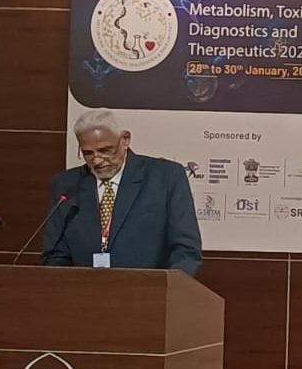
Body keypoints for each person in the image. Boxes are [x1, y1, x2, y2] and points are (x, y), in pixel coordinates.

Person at [41, 109, 202, 276]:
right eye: (88, 153)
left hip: (148, 289)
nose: (97, 160)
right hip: (83, 290)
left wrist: (166, 286)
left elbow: (186, 249)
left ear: (125, 140)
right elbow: (55, 254)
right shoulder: (66, 184)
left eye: (105, 150)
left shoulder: (165, 177)